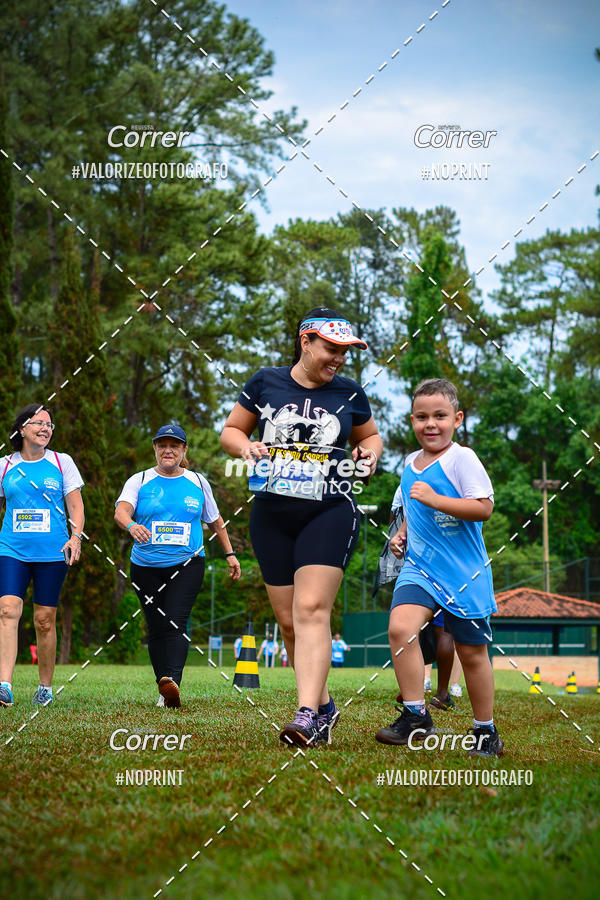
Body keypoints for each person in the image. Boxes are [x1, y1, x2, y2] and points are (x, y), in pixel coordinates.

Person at [220, 307, 382, 746]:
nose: (339, 359)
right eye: (332, 349)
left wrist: (369, 455)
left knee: (311, 609)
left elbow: (369, 436)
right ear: (305, 342)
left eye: (345, 352)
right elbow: (231, 430)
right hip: (272, 514)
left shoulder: (350, 392)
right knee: (289, 623)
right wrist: (246, 447)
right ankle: (324, 707)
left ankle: (307, 715)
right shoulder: (265, 382)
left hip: (329, 510)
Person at [375, 379, 503, 757]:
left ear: (457, 419)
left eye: (440, 416)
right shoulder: (408, 464)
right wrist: (401, 534)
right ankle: (416, 716)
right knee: (400, 629)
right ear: (411, 420)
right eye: (421, 417)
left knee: (471, 652)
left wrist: (436, 498)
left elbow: (483, 507)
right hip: (420, 568)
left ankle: (485, 731)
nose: (430, 424)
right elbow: (414, 511)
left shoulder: (463, 459)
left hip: (464, 574)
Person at [115, 425, 240, 708]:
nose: (168, 450)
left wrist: (230, 554)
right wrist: (131, 525)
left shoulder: (198, 482)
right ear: (155, 449)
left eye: (174, 445)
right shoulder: (140, 480)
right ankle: (165, 687)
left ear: (184, 450)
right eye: (162, 445)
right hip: (145, 566)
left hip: (188, 564)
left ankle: (173, 681)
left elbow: (215, 520)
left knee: (175, 621)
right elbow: (121, 511)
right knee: (156, 626)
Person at [0, 404, 84, 707]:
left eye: (49, 425)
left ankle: (45, 688)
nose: (45, 428)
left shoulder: (62, 462)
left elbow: (75, 506)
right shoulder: (4, 465)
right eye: (39, 423)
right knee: (7, 609)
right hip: (12, 550)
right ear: (22, 428)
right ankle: (4, 686)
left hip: (52, 552)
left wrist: (76, 537)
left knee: (44, 620)